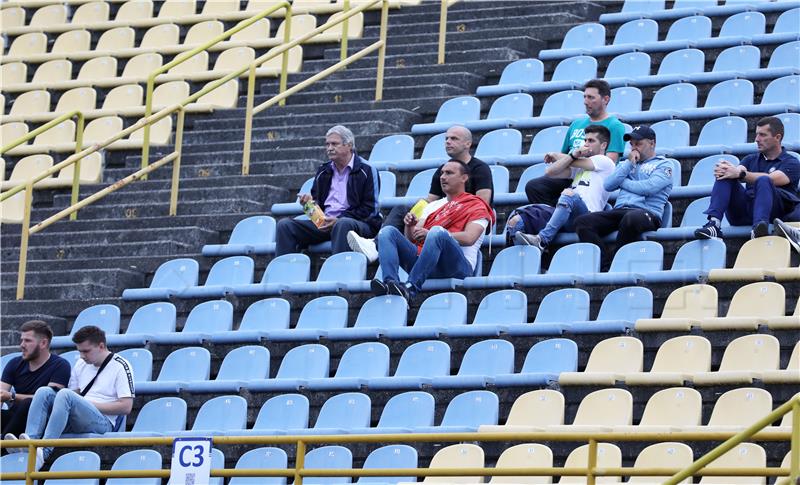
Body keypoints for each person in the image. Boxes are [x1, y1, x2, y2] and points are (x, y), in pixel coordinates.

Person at [347, 125, 493, 262]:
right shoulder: (442, 170)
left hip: (470, 224)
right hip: (443, 220)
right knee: (402, 210)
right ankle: (375, 244)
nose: (448, 142)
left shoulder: (481, 169)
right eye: (446, 139)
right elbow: (431, 200)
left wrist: (447, 214)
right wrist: (416, 214)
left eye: (454, 139)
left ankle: (378, 246)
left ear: (468, 144)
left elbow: (482, 204)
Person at [370, 159, 494, 302]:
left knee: (437, 232)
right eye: (442, 173)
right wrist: (410, 226)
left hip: (457, 267)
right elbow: (413, 239)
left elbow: (469, 238)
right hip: (425, 262)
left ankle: (411, 287)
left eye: (449, 173)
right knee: (387, 232)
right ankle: (390, 283)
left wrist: (433, 234)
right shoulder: (432, 205)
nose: (442, 177)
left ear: (464, 178)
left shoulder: (477, 205)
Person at [14, 325, 134, 469]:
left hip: (104, 421)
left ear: (101, 346)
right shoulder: (81, 364)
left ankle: (44, 452)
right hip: (80, 416)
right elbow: (74, 395)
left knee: (65, 394)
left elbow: (126, 407)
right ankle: (29, 443)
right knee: (43, 392)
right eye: (80, 351)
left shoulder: (121, 365)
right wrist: (77, 402)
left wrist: (87, 404)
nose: (82, 356)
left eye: (86, 351)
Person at [573, 125, 673, 271]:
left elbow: (649, 188)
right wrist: (628, 163)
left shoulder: (664, 164)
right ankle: (604, 264)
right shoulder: (626, 164)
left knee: (631, 218)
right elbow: (607, 185)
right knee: (582, 222)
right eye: (631, 144)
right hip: (620, 210)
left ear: (652, 143)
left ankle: (616, 262)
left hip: (647, 213)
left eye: (638, 143)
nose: (634, 148)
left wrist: (623, 182)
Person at [275, 125, 382, 255]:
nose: (329, 148)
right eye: (327, 144)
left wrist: (338, 219)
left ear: (349, 145)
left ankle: (339, 272)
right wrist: (308, 205)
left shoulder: (367, 170)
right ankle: (285, 273)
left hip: (358, 224)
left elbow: (371, 210)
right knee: (284, 225)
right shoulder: (323, 171)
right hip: (325, 224)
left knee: (342, 224)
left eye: (334, 144)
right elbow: (317, 208)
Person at [524, 79, 627, 207]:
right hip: (569, 174)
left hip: (592, 177)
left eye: (591, 97)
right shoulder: (576, 124)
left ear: (605, 99)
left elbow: (611, 160)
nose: (585, 101)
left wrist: (565, 157)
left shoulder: (615, 126)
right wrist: (563, 157)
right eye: (584, 97)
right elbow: (562, 158)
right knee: (535, 186)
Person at [694, 116, 800, 240]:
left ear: (777, 137)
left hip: (774, 213)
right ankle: (714, 224)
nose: (756, 139)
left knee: (764, 180)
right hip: (744, 212)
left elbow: (774, 178)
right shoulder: (750, 159)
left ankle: (759, 228)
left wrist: (741, 174)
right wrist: (727, 170)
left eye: (762, 135)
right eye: (756, 135)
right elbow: (738, 170)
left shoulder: (791, 162)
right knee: (726, 175)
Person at [512, 125, 615, 250]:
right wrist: (572, 156)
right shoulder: (580, 166)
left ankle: (542, 240)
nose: (586, 144)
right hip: (569, 215)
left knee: (569, 194)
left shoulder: (605, 161)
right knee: (517, 219)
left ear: (603, 145)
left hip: (588, 216)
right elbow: (550, 172)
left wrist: (560, 155)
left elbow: (576, 162)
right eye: (586, 140)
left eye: (591, 141)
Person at [1, 321, 70, 442]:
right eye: (22, 340)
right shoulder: (14, 363)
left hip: (41, 421)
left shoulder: (60, 365)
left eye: (27, 341)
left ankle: (3, 448)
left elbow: (48, 400)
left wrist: (12, 396)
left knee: (27, 403)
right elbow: (1, 394)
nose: (22, 345)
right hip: (16, 416)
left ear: (43, 343)